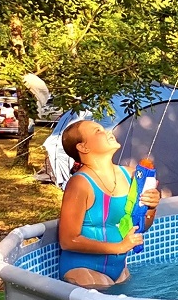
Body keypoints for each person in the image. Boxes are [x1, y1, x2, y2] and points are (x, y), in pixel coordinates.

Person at [57, 120, 161, 288]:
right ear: (83, 147)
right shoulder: (80, 184)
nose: (108, 132)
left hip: (119, 271)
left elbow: (140, 226)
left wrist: (151, 207)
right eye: (98, 131)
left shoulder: (131, 175)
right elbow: (68, 241)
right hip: (83, 270)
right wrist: (119, 247)